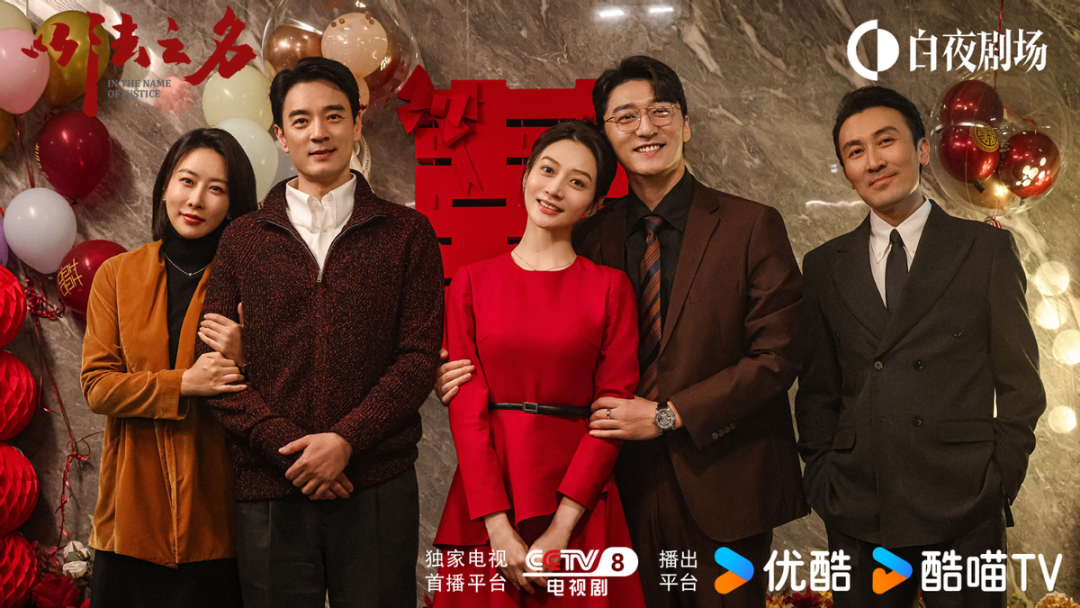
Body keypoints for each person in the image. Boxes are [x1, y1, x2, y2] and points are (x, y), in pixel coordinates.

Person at [437, 56, 808, 608]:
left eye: (660, 112)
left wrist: (667, 415)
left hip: (722, 484)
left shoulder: (750, 224)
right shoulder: (589, 231)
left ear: (686, 124)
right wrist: (457, 373)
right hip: (614, 493)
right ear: (608, 134)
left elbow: (778, 355)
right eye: (625, 116)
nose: (644, 128)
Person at [194, 56, 444, 608]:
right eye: (301, 120)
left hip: (375, 481)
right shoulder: (242, 238)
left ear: (357, 123)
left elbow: (418, 358)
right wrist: (290, 450)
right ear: (281, 136)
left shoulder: (408, 233)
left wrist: (345, 441)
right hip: (269, 485)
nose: (319, 133)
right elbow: (214, 368)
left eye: (333, 116)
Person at [795, 86, 1046, 608]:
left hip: (963, 501)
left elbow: (1021, 384)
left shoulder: (985, 249)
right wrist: (823, 479)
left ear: (922, 149)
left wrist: (998, 480)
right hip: (859, 505)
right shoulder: (823, 266)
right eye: (855, 151)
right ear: (846, 170)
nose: (873, 161)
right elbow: (818, 391)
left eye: (886, 141)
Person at [433, 120, 646, 607]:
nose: (554, 189)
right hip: (488, 497)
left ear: (593, 205)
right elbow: (466, 410)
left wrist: (561, 528)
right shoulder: (470, 282)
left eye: (577, 181)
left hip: (578, 500)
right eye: (547, 170)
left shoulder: (610, 288)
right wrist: (497, 527)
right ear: (525, 176)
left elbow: (611, 412)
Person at [81, 128, 259, 608]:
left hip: (215, 522)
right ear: (165, 187)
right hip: (129, 521)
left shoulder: (250, 283)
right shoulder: (117, 276)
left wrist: (248, 355)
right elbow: (97, 387)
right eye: (187, 180)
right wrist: (184, 384)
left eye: (216, 188)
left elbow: (290, 390)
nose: (196, 199)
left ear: (233, 205)